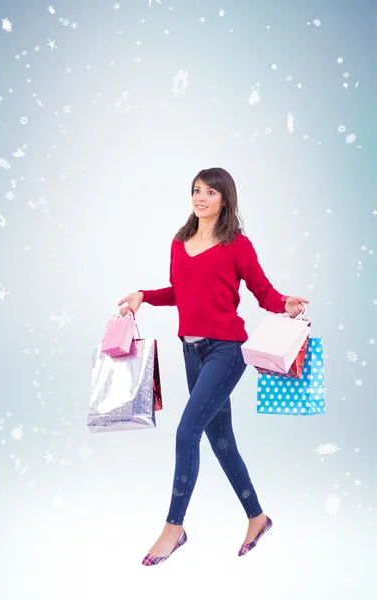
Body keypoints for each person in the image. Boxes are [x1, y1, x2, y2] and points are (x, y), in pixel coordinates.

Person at [118, 167, 309, 567]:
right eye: (195, 191)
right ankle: (258, 517)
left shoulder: (237, 244)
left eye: (209, 191)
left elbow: (262, 291)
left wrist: (284, 303)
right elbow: (179, 292)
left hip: (227, 350)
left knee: (188, 432)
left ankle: (174, 527)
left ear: (225, 198)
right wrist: (143, 296)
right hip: (191, 352)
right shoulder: (180, 241)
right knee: (221, 441)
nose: (200, 197)